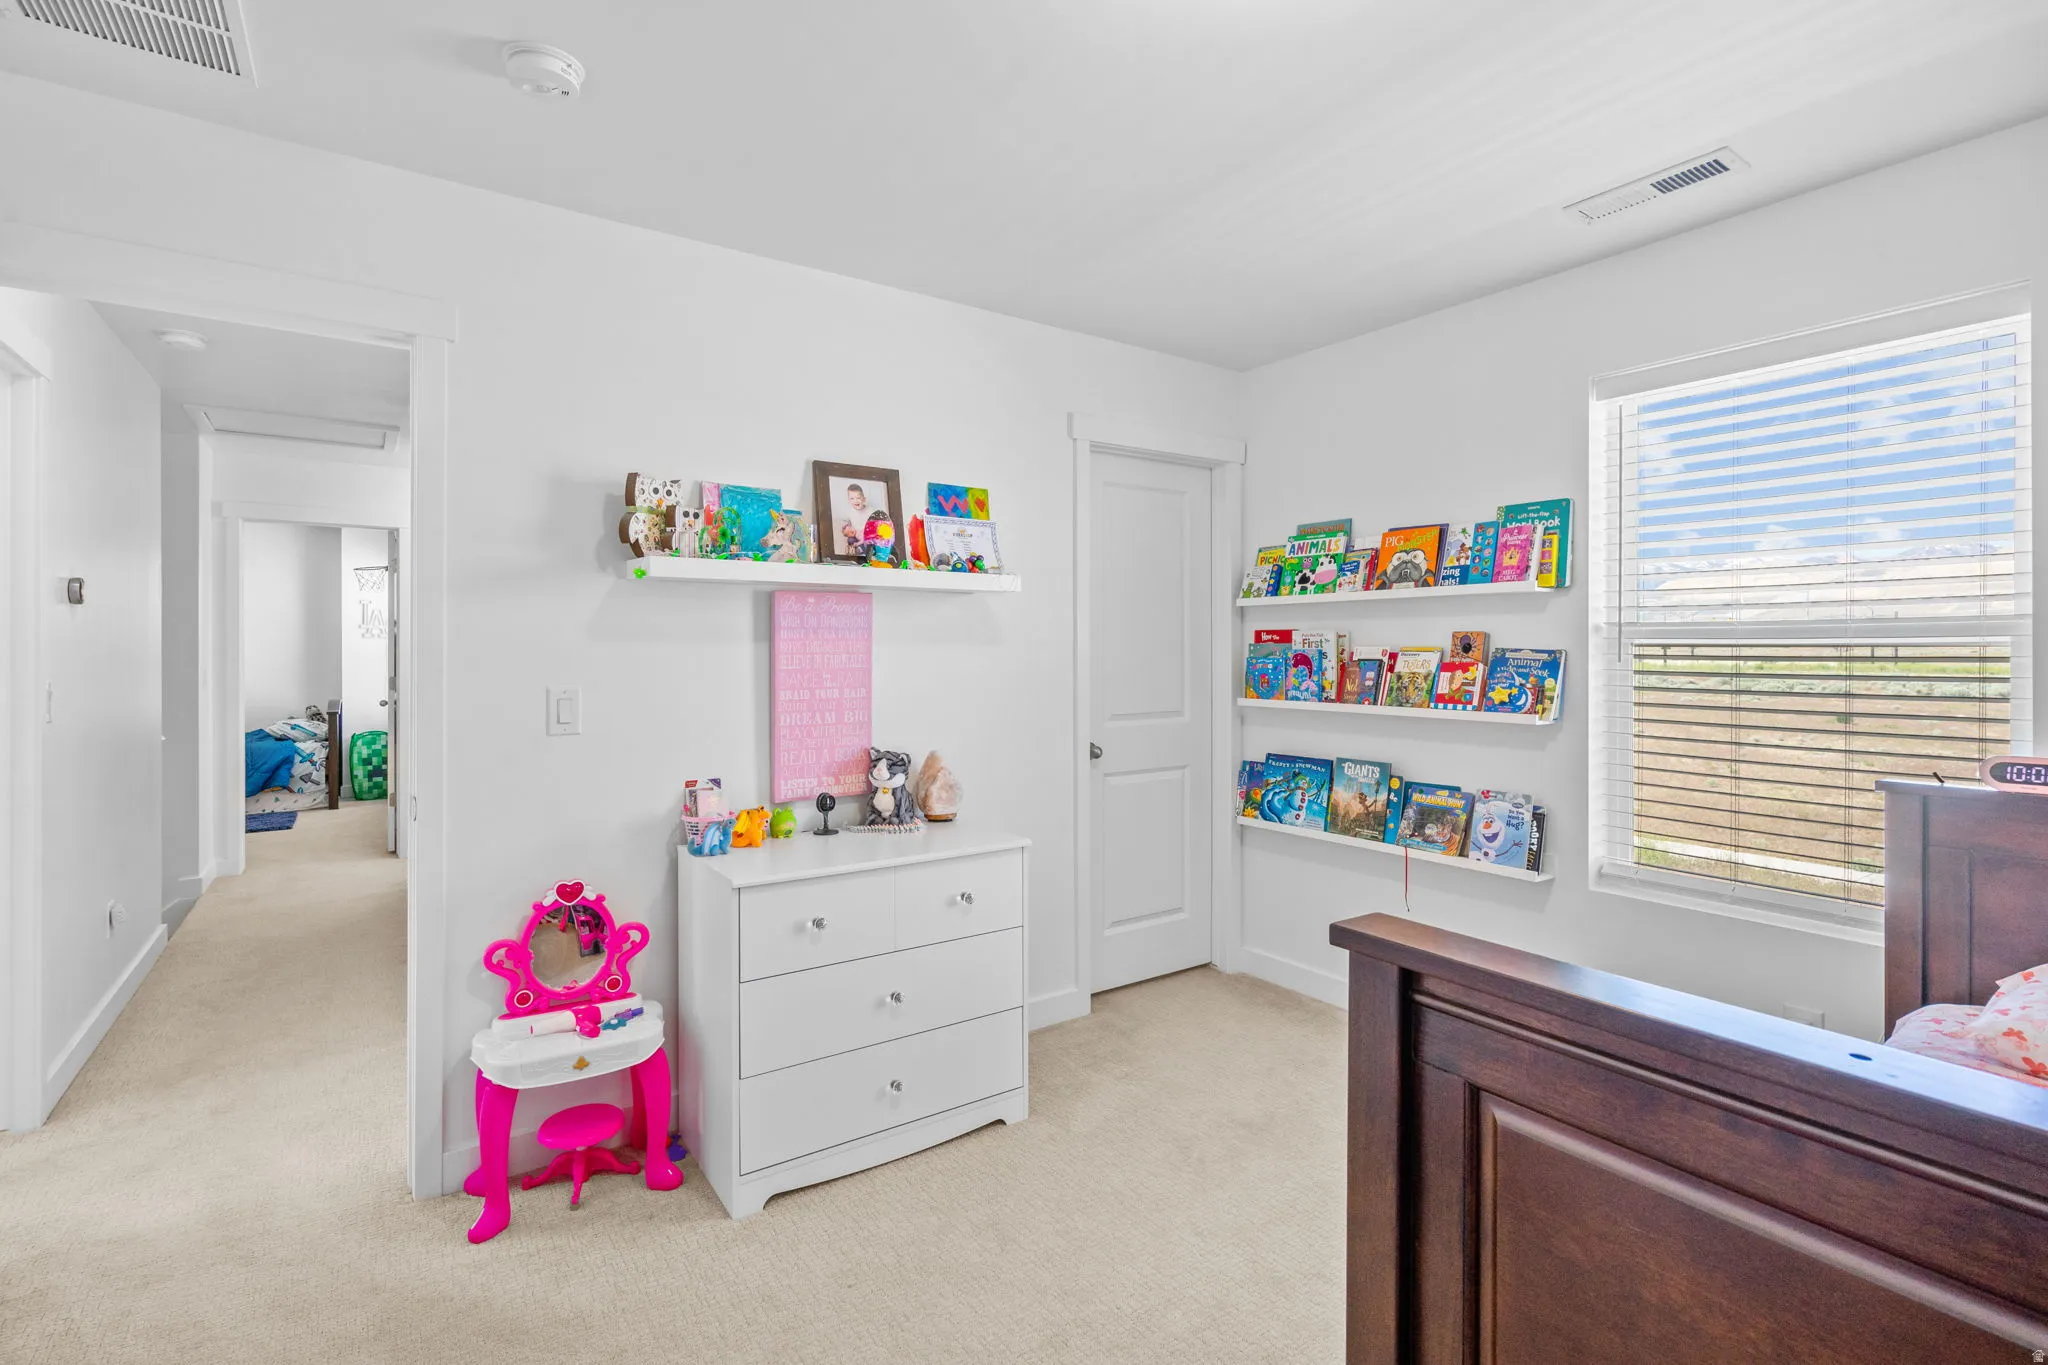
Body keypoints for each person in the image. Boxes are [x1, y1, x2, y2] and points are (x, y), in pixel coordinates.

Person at [836, 482, 868, 555]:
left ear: (864, 499)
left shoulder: (868, 511)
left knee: (867, 542)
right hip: (855, 535)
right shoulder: (850, 513)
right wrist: (847, 529)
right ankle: (858, 548)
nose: (855, 501)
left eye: (858, 498)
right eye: (852, 498)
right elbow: (846, 524)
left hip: (864, 534)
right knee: (850, 540)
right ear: (849, 500)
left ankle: (862, 549)